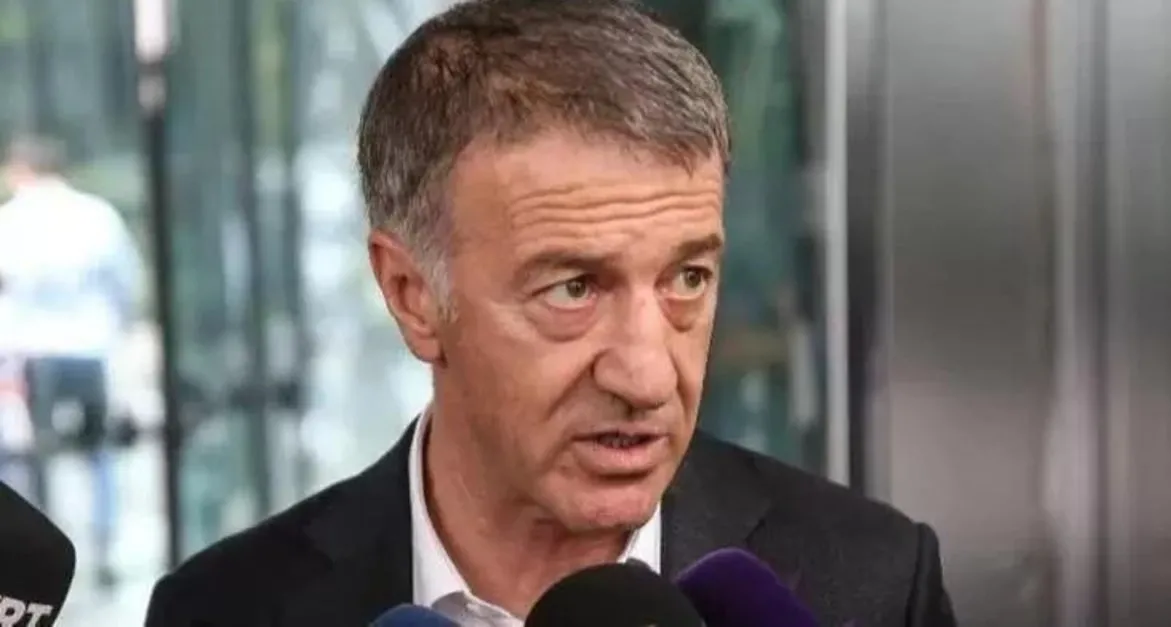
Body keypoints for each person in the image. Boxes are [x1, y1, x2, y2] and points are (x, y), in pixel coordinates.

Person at [146, 1, 956, 625]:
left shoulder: (875, 581)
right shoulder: (224, 608)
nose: (647, 375)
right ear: (411, 295)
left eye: (687, 278)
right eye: (574, 288)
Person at [0, 135, 142, 589]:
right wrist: (116, 331)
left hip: (34, 355)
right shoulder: (98, 216)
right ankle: (103, 548)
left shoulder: (11, 221)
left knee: (32, 458)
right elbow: (126, 283)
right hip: (89, 350)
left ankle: (40, 554)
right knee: (98, 452)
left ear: (21, 170)